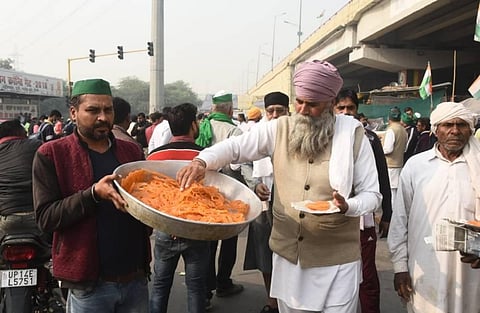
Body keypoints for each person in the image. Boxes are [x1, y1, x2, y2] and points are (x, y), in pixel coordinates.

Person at [177, 60, 381, 313]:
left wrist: (348, 206)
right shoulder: (279, 128)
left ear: (330, 102)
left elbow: (373, 195)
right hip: (288, 258)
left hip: (336, 261)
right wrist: (201, 161)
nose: (303, 110)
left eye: (313, 104)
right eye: (300, 102)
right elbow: (236, 148)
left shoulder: (352, 134)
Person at [32, 78, 151, 313]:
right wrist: (93, 194)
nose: (103, 117)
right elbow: (46, 218)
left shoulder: (131, 151)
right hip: (89, 285)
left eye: (108, 110)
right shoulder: (52, 154)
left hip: (135, 278)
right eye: (93, 110)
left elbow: (146, 201)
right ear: (74, 113)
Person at [387, 101, 480, 313]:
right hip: (426, 267)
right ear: (436, 130)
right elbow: (400, 220)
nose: (455, 131)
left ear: (470, 129)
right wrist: (400, 267)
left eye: (461, 125)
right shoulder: (416, 166)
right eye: (448, 125)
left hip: (472, 272)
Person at [147, 103, 210, 313]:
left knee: (160, 287)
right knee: (196, 289)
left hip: (165, 230)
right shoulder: (205, 158)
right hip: (198, 230)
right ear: (193, 124)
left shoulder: (154, 157)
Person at [334, 89, 392, 313]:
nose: (346, 112)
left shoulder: (368, 138)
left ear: (357, 110)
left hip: (362, 216)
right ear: (333, 108)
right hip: (331, 217)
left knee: (366, 274)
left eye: (350, 108)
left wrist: (387, 213)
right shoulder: (326, 135)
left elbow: (382, 176)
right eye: (341, 108)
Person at [195, 90, 247, 302]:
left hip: (203, 193)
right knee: (228, 241)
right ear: (230, 110)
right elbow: (240, 166)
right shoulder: (234, 131)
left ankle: (206, 291)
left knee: (208, 242)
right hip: (228, 194)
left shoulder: (201, 127)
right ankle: (223, 283)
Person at [244, 91, 289, 313]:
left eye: (279, 111)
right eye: (270, 111)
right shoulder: (256, 133)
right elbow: (242, 163)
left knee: (289, 253)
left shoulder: (296, 133)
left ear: (288, 112)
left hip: (290, 206)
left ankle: (288, 299)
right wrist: (254, 183)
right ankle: (272, 299)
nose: (274, 115)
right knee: (264, 251)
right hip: (263, 203)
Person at [382, 107, 407, 206]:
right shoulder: (403, 130)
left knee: (392, 193)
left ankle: (393, 215)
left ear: (389, 118)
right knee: (396, 192)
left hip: (390, 165)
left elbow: (388, 149)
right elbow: (404, 148)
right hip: (399, 164)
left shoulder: (391, 130)